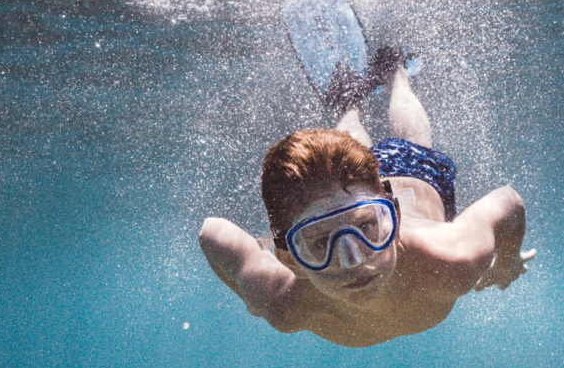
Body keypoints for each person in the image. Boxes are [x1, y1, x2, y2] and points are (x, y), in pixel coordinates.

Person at [198, 48, 535, 347]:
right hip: (358, 193)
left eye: (368, 228)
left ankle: (395, 72)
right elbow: (209, 234)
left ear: (396, 217)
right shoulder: (282, 303)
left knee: (414, 143)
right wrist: (249, 294)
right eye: (318, 244)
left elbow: (510, 201)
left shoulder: (452, 259)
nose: (352, 260)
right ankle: (349, 100)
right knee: (362, 150)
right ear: (289, 260)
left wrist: (506, 262)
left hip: (414, 174)